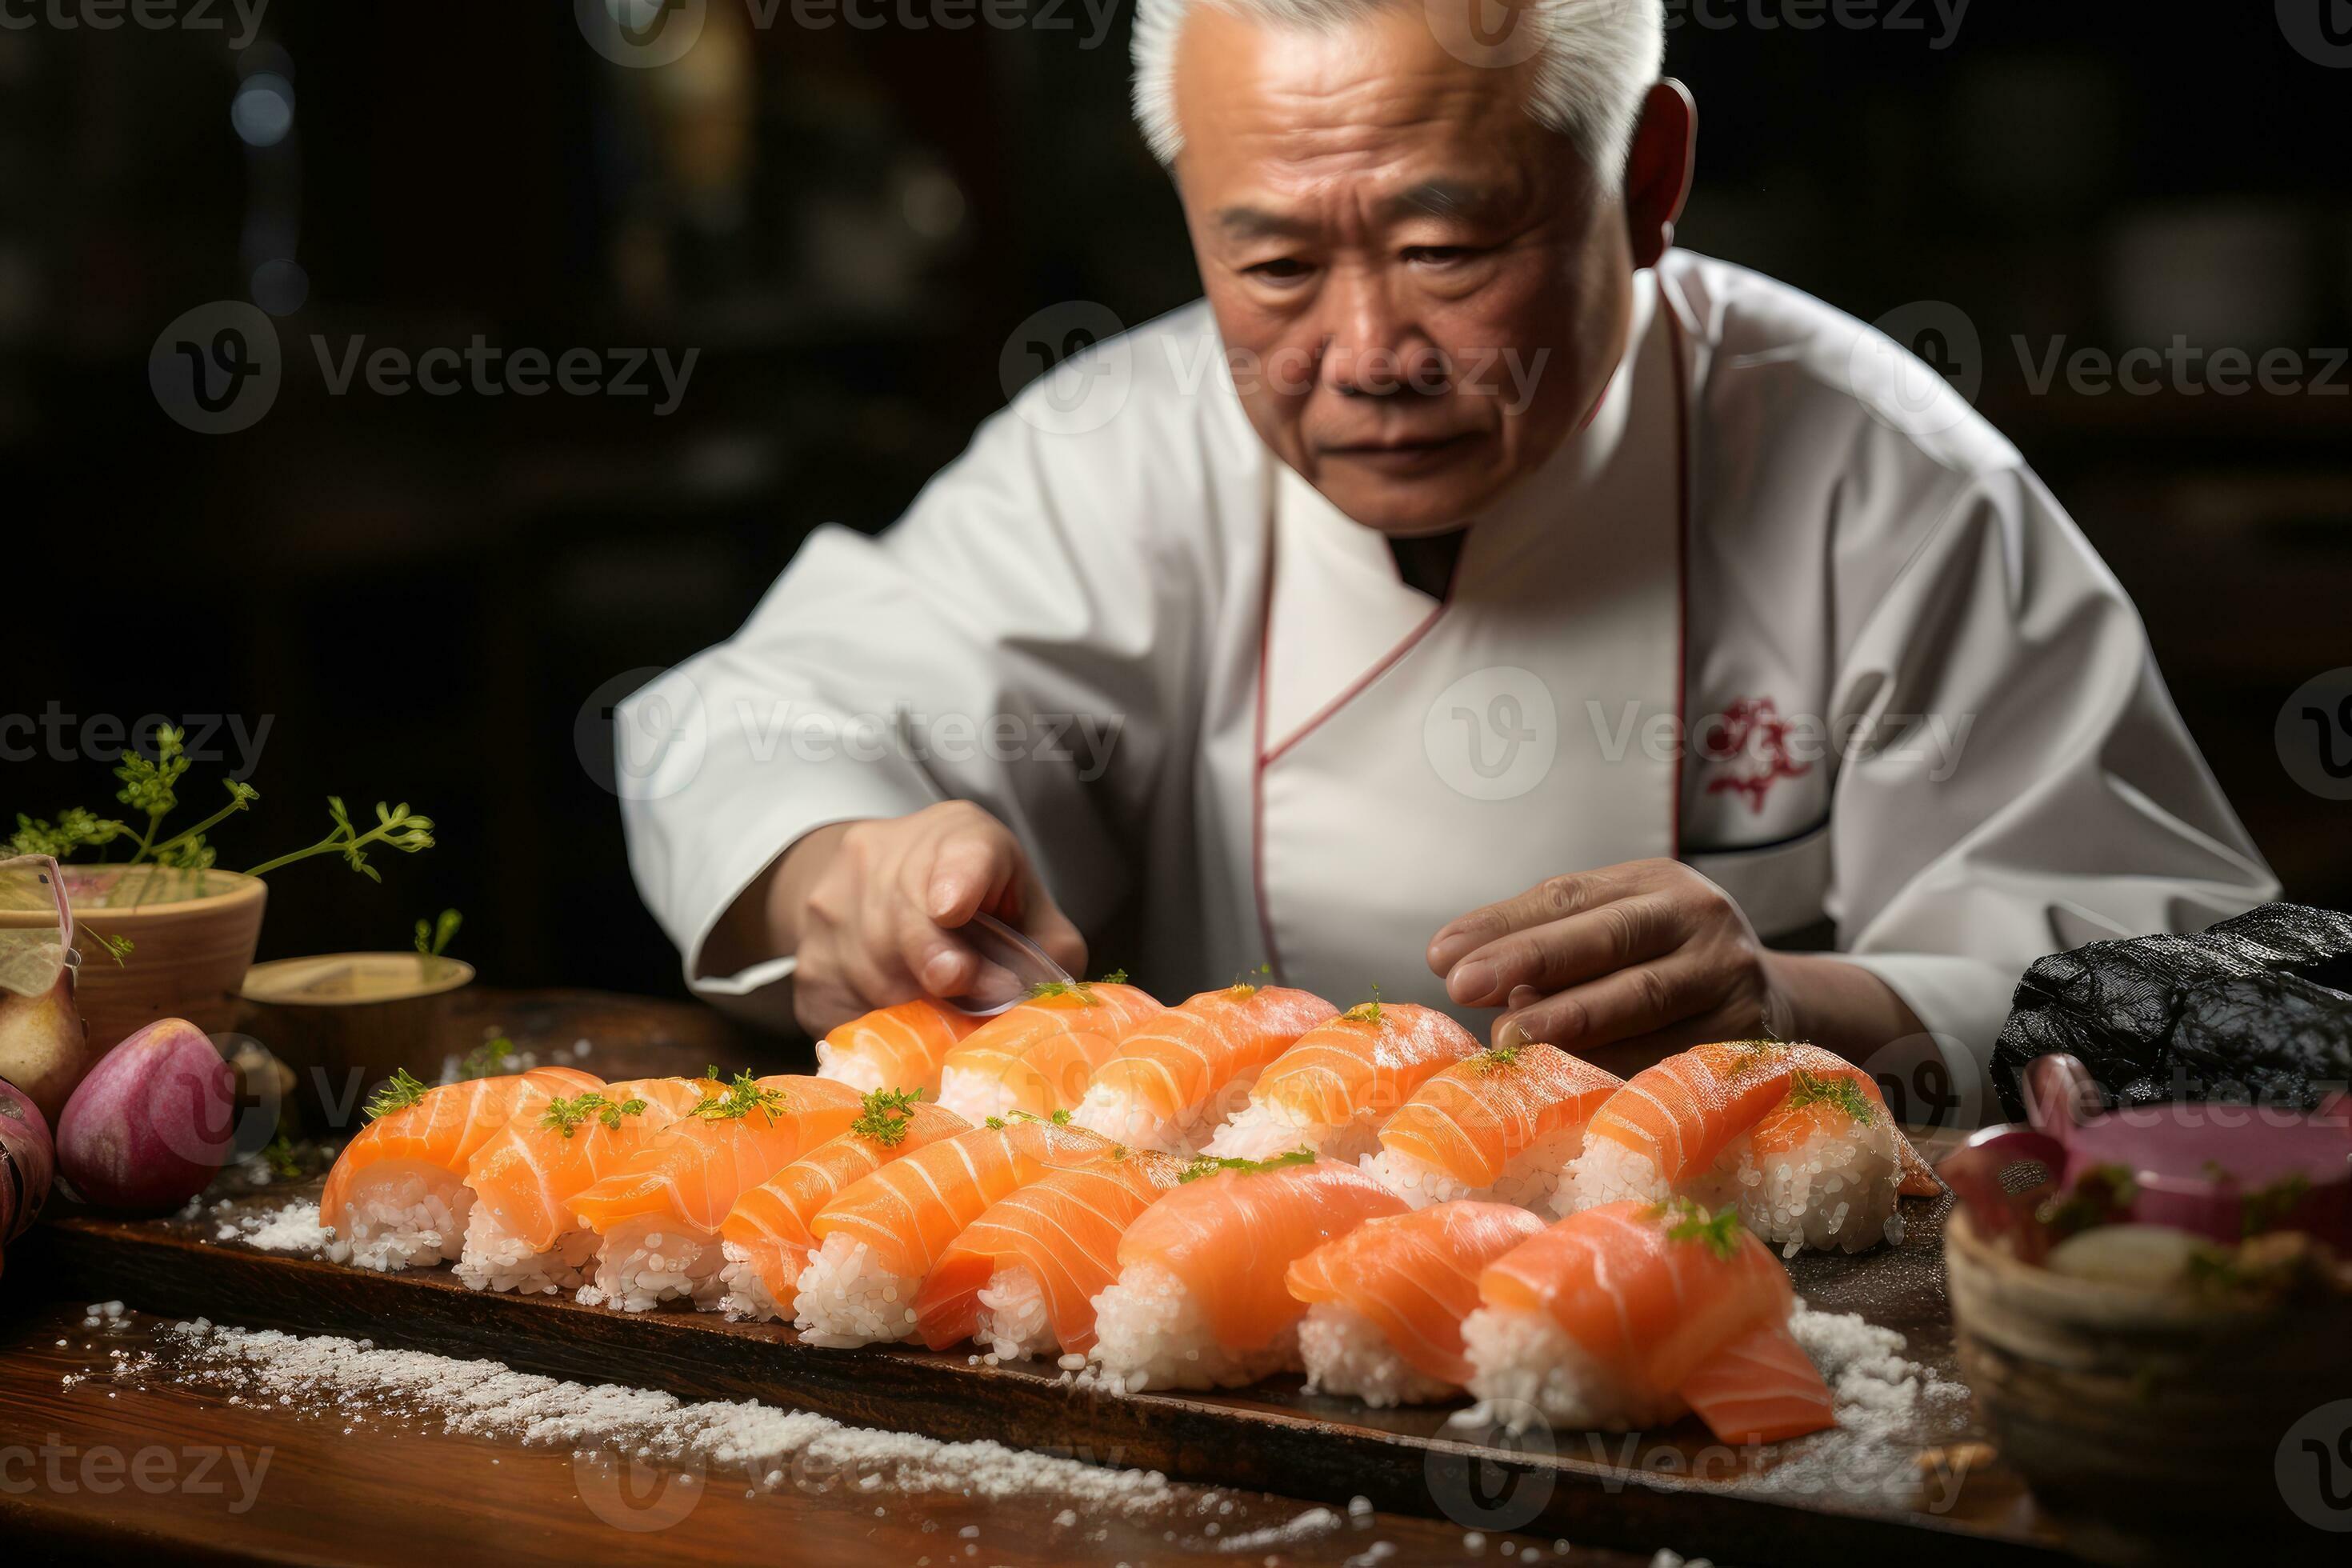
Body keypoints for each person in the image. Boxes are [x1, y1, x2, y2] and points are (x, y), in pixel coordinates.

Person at [618, 0, 2274, 1090]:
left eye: (1444, 246)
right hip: (1240, 1304)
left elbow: (2194, 997)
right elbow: (759, 716)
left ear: (1651, 175)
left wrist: (1801, 1008)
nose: (1365, 351)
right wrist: (845, 870)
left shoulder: (1883, 474)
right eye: (1269, 269)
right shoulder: (1123, 443)